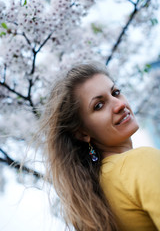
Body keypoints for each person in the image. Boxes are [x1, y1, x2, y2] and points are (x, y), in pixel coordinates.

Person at [40, 63, 160, 231]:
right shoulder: (141, 162)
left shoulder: (94, 199)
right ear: (82, 133)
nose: (119, 105)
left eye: (115, 93)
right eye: (99, 105)